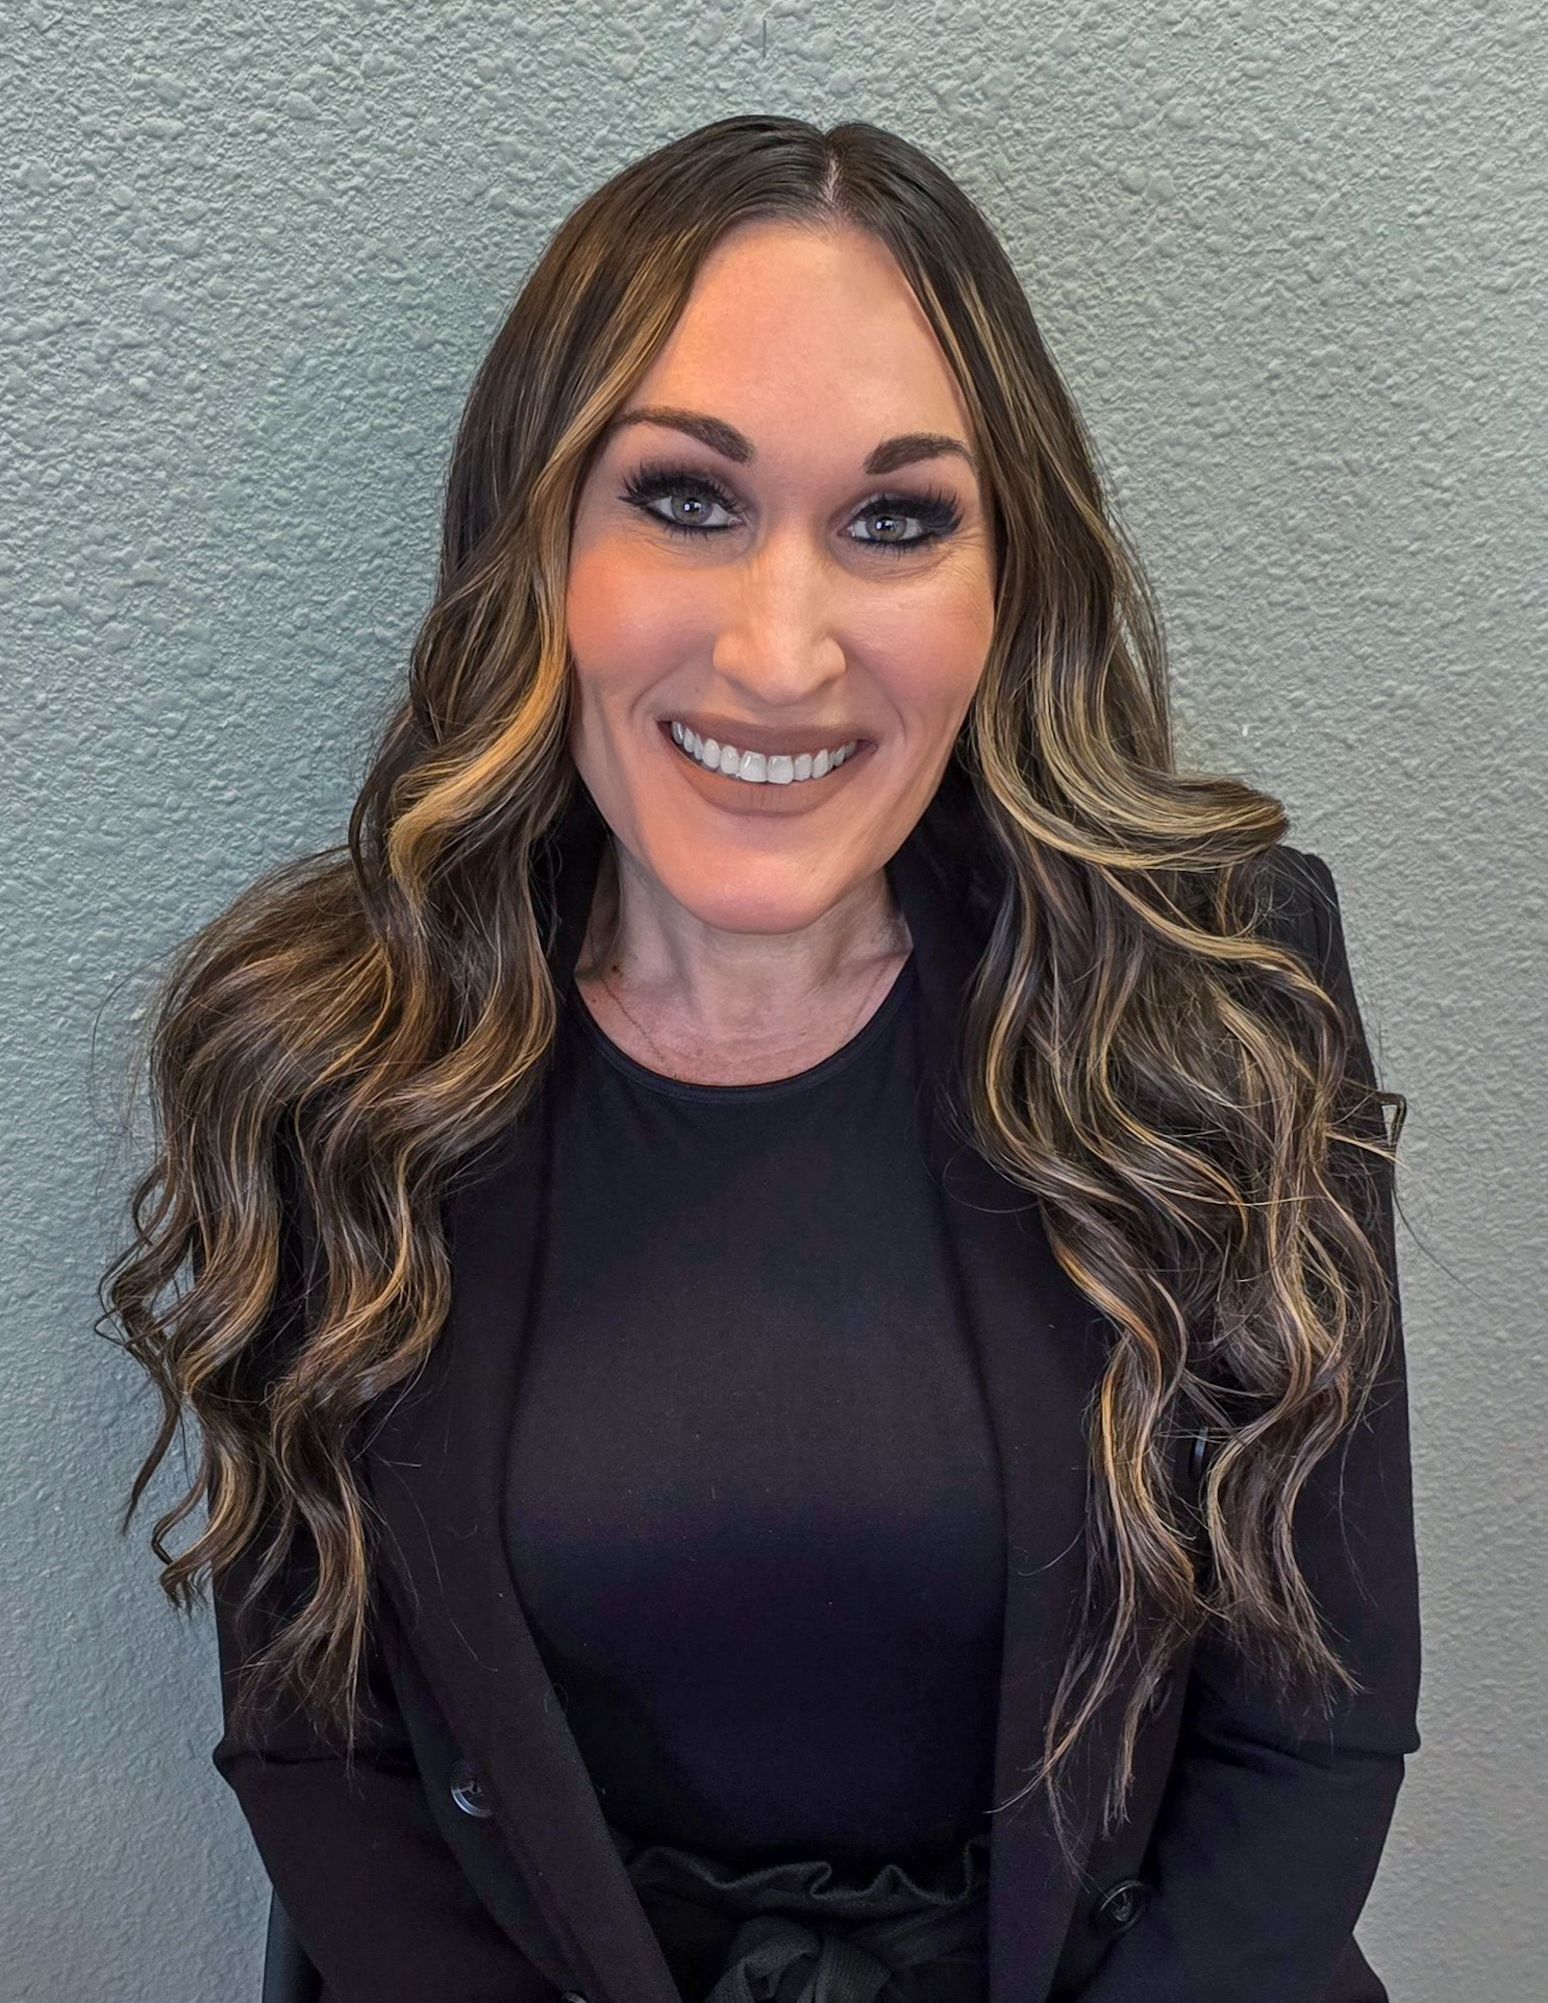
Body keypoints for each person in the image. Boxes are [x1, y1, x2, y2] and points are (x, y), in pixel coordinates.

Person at [104, 115, 1421, 2003]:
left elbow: (1314, 1736)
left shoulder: (1220, 1000)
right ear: (535, 538)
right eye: (685, 499)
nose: (779, 650)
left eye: (897, 518)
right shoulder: (322, 1047)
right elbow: (324, 1754)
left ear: (1006, 584)